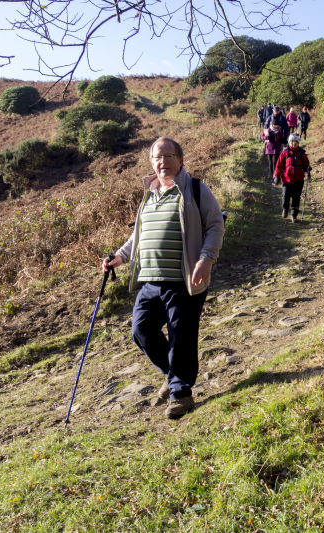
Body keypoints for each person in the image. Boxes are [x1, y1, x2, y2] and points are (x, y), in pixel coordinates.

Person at [102, 137, 225, 419]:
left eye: (169, 156)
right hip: (150, 280)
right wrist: (120, 257)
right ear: (151, 162)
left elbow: (215, 225)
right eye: (158, 157)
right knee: (141, 331)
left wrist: (206, 259)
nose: (163, 162)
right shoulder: (149, 194)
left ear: (180, 160)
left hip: (183, 279)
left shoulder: (194, 189)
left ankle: (181, 394)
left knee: (181, 335)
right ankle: (173, 376)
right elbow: (139, 236)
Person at [274, 133, 311, 223]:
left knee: (296, 197)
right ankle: (285, 209)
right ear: (289, 142)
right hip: (287, 179)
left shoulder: (302, 153)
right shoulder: (285, 152)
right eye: (292, 142)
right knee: (285, 196)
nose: (293, 143)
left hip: (299, 179)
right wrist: (276, 176)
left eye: (295, 142)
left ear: (298, 142)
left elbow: (306, 164)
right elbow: (278, 165)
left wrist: (308, 168)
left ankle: (294, 216)